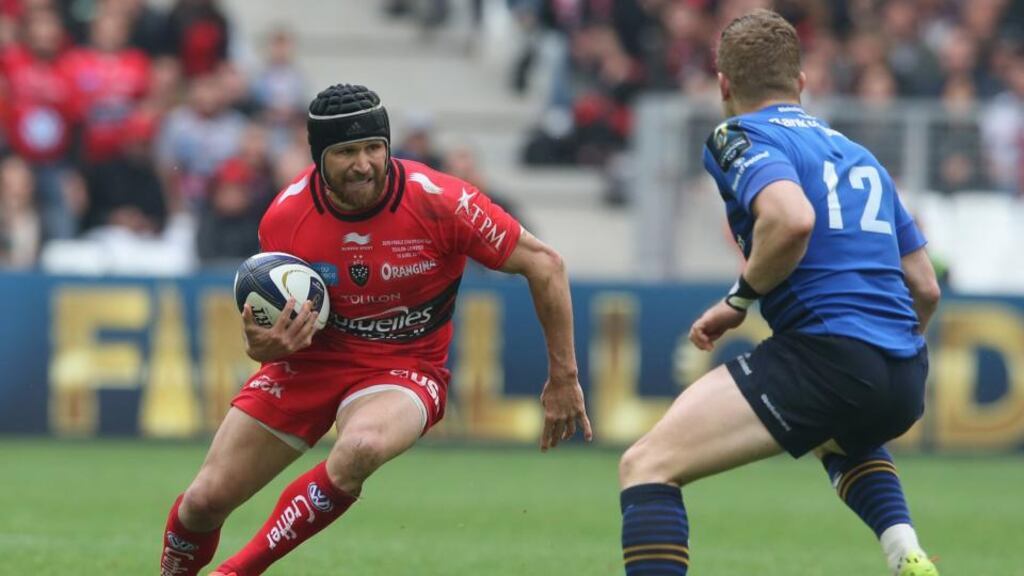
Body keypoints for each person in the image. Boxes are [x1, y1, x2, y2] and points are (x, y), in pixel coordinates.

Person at [159, 83, 592, 576]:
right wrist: (262, 344)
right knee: (203, 501)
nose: (364, 164)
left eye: (373, 148)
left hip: (404, 369)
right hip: (311, 363)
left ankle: (234, 573)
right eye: (346, 152)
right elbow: (270, 325)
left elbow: (546, 266)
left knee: (359, 449)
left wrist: (563, 376)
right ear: (319, 156)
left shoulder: (443, 202)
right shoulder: (285, 216)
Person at [617, 10, 941, 576]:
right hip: (905, 370)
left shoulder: (736, 134)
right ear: (802, 82)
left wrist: (737, 300)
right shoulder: (857, 154)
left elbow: (791, 219)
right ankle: (904, 554)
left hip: (829, 355)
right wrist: (891, 348)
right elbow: (926, 286)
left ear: (723, 85)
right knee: (840, 431)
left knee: (647, 464)